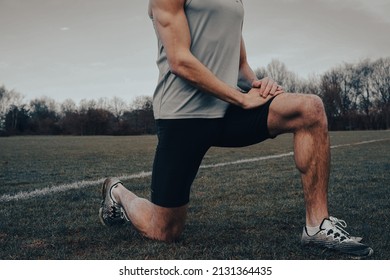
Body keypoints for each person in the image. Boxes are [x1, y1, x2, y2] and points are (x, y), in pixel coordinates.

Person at [99, 0, 373, 257]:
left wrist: (258, 85)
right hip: (183, 116)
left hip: (228, 110)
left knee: (309, 109)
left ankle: (317, 225)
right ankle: (119, 192)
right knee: (164, 230)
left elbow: (240, 65)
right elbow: (179, 60)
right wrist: (240, 97)